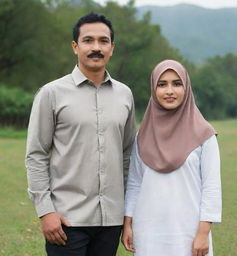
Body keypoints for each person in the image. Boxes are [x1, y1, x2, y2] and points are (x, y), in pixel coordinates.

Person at [25, 12, 136, 256]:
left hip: (111, 221)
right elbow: (36, 155)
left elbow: (128, 155)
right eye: (88, 40)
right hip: (66, 220)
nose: (96, 47)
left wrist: (129, 212)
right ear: (75, 47)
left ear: (112, 48)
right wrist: (46, 211)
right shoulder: (51, 93)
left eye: (103, 41)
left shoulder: (125, 95)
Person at [122, 59, 222, 256]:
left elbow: (211, 187)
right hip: (148, 233)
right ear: (153, 89)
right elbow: (134, 183)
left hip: (189, 232)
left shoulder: (205, 134)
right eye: (162, 84)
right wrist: (127, 224)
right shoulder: (142, 136)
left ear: (187, 88)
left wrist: (203, 233)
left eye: (177, 84)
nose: (169, 91)